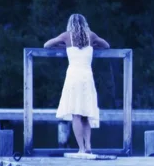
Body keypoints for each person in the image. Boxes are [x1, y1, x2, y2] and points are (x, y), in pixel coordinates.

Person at [44, 14, 110, 154]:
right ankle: (88, 146)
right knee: (86, 112)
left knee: (76, 115)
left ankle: (81, 148)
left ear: (70, 24)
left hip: (73, 76)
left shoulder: (66, 36)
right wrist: (94, 45)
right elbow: (106, 45)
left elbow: (47, 45)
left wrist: (62, 44)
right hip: (86, 76)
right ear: (84, 23)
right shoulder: (90, 36)